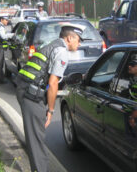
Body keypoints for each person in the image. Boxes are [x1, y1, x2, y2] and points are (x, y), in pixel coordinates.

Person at [14, 24, 84, 172]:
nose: (80, 43)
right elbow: (52, 84)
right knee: (36, 140)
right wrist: (51, 111)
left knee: (34, 136)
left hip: (24, 88)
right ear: (69, 38)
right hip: (31, 95)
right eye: (78, 40)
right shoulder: (62, 52)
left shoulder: (51, 44)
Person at [0, 16, 14, 85]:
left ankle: (0, 79)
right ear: (2, 20)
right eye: (6, 20)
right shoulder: (0, 27)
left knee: (0, 64)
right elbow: (3, 36)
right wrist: (12, 35)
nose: (7, 21)